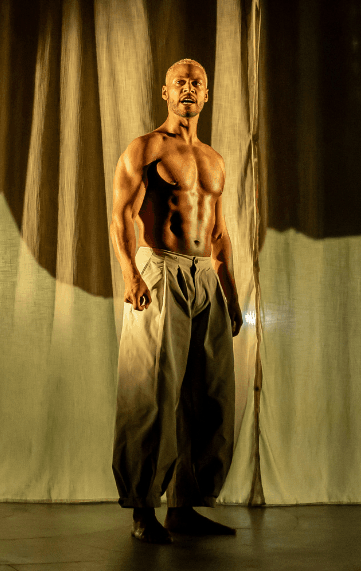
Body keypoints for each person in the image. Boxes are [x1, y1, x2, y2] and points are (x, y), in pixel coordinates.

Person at [110, 59, 243, 544]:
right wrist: (130, 274)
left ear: (207, 95)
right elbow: (120, 215)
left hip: (205, 276)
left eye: (197, 83)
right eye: (180, 83)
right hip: (160, 269)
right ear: (165, 92)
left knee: (209, 396)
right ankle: (143, 510)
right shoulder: (146, 148)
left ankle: (185, 508)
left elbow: (220, 233)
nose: (188, 89)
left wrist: (231, 294)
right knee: (152, 393)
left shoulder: (214, 159)